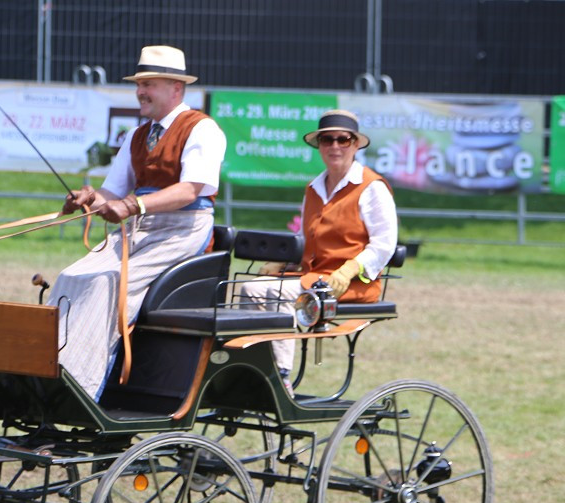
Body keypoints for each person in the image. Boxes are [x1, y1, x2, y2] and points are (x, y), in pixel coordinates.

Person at [50, 45, 227, 400]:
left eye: (149, 84)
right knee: (71, 276)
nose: (140, 91)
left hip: (182, 230)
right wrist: (88, 198)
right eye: (139, 84)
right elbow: (111, 193)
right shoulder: (137, 136)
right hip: (139, 228)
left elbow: (191, 190)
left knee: (106, 282)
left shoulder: (202, 129)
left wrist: (132, 205)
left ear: (176, 89)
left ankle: (78, 386)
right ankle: (45, 369)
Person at [241, 109, 398, 390]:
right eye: (327, 140)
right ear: (319, 146)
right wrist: (282, 262)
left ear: (355, 144)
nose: (334, 146)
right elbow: (304, 238)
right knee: (249, 289)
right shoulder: (313, 188)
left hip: (351, 284)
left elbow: (385, 244)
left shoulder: (372, 188)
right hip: (315, 278)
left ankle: (280, 378)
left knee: (275, 293)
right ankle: (251, 366)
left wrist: (351, 268)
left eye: (343, 140)